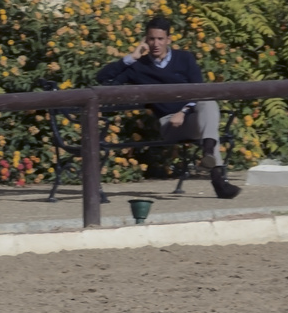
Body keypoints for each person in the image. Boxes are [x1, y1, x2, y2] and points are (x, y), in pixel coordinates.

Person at [96, 16, 241, 199]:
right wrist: (132, 57)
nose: (156, 43)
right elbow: (102, 79)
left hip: (192, 116)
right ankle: (216, 173)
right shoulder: (138, 67)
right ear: (145, 40)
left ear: (168, 40)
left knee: (209, 102)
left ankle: (209, 152)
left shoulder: (185, 59)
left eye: (160, 39)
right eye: (151, 39)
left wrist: (183, 112)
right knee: (209, 125)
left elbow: (200, 90)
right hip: (169, 125)